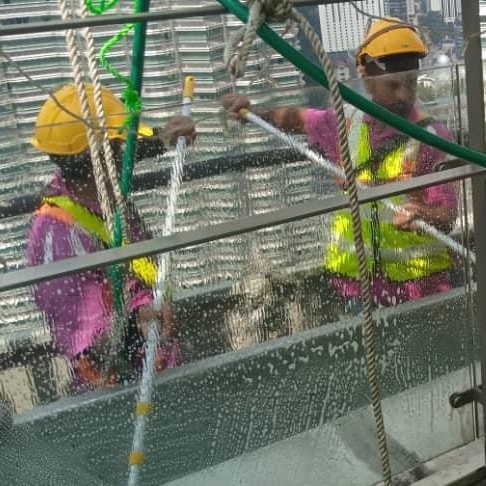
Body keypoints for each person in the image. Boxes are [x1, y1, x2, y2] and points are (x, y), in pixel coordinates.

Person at [222, 17, 457, 317]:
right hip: (359, 287)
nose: (403, 95)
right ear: (367, 79)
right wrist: (252, 112)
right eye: (393, 85)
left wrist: (423, 213)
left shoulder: (433, 137)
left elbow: (447, 216)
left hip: (421, 287)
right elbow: (295, 119)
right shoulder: (346, 123)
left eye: (410, 84)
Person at [26, 82, 196, 391]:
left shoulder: (101, 189)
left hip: (160, 367)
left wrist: (163, 137)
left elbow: (123, 151)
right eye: (118, 144)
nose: (127, 149)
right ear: (101, 157)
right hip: (122, 393)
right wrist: (136, 323)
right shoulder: (58, 237)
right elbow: (85, 343)